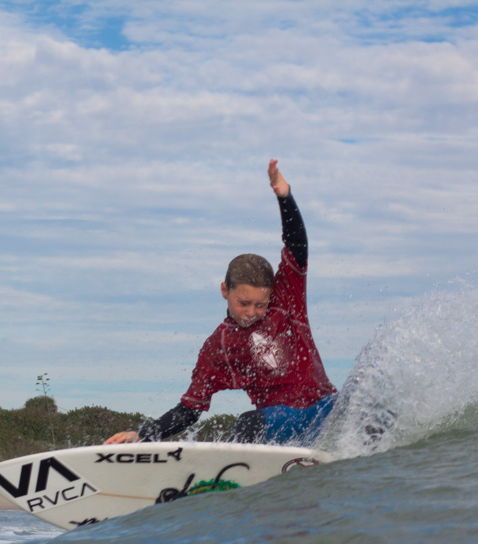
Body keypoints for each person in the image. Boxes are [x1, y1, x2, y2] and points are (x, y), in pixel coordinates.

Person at [106, 159, 336, 447]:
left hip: (326, 410)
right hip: (281, 422)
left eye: (261, 304)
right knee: (246, 423)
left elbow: (297, 247)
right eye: (244, 302)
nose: (253, 312)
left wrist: (284, 197)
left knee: (369, 398)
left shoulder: (287, 299)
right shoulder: (220, 345)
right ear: (225, 290)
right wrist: (143, 434)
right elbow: (190, 409)